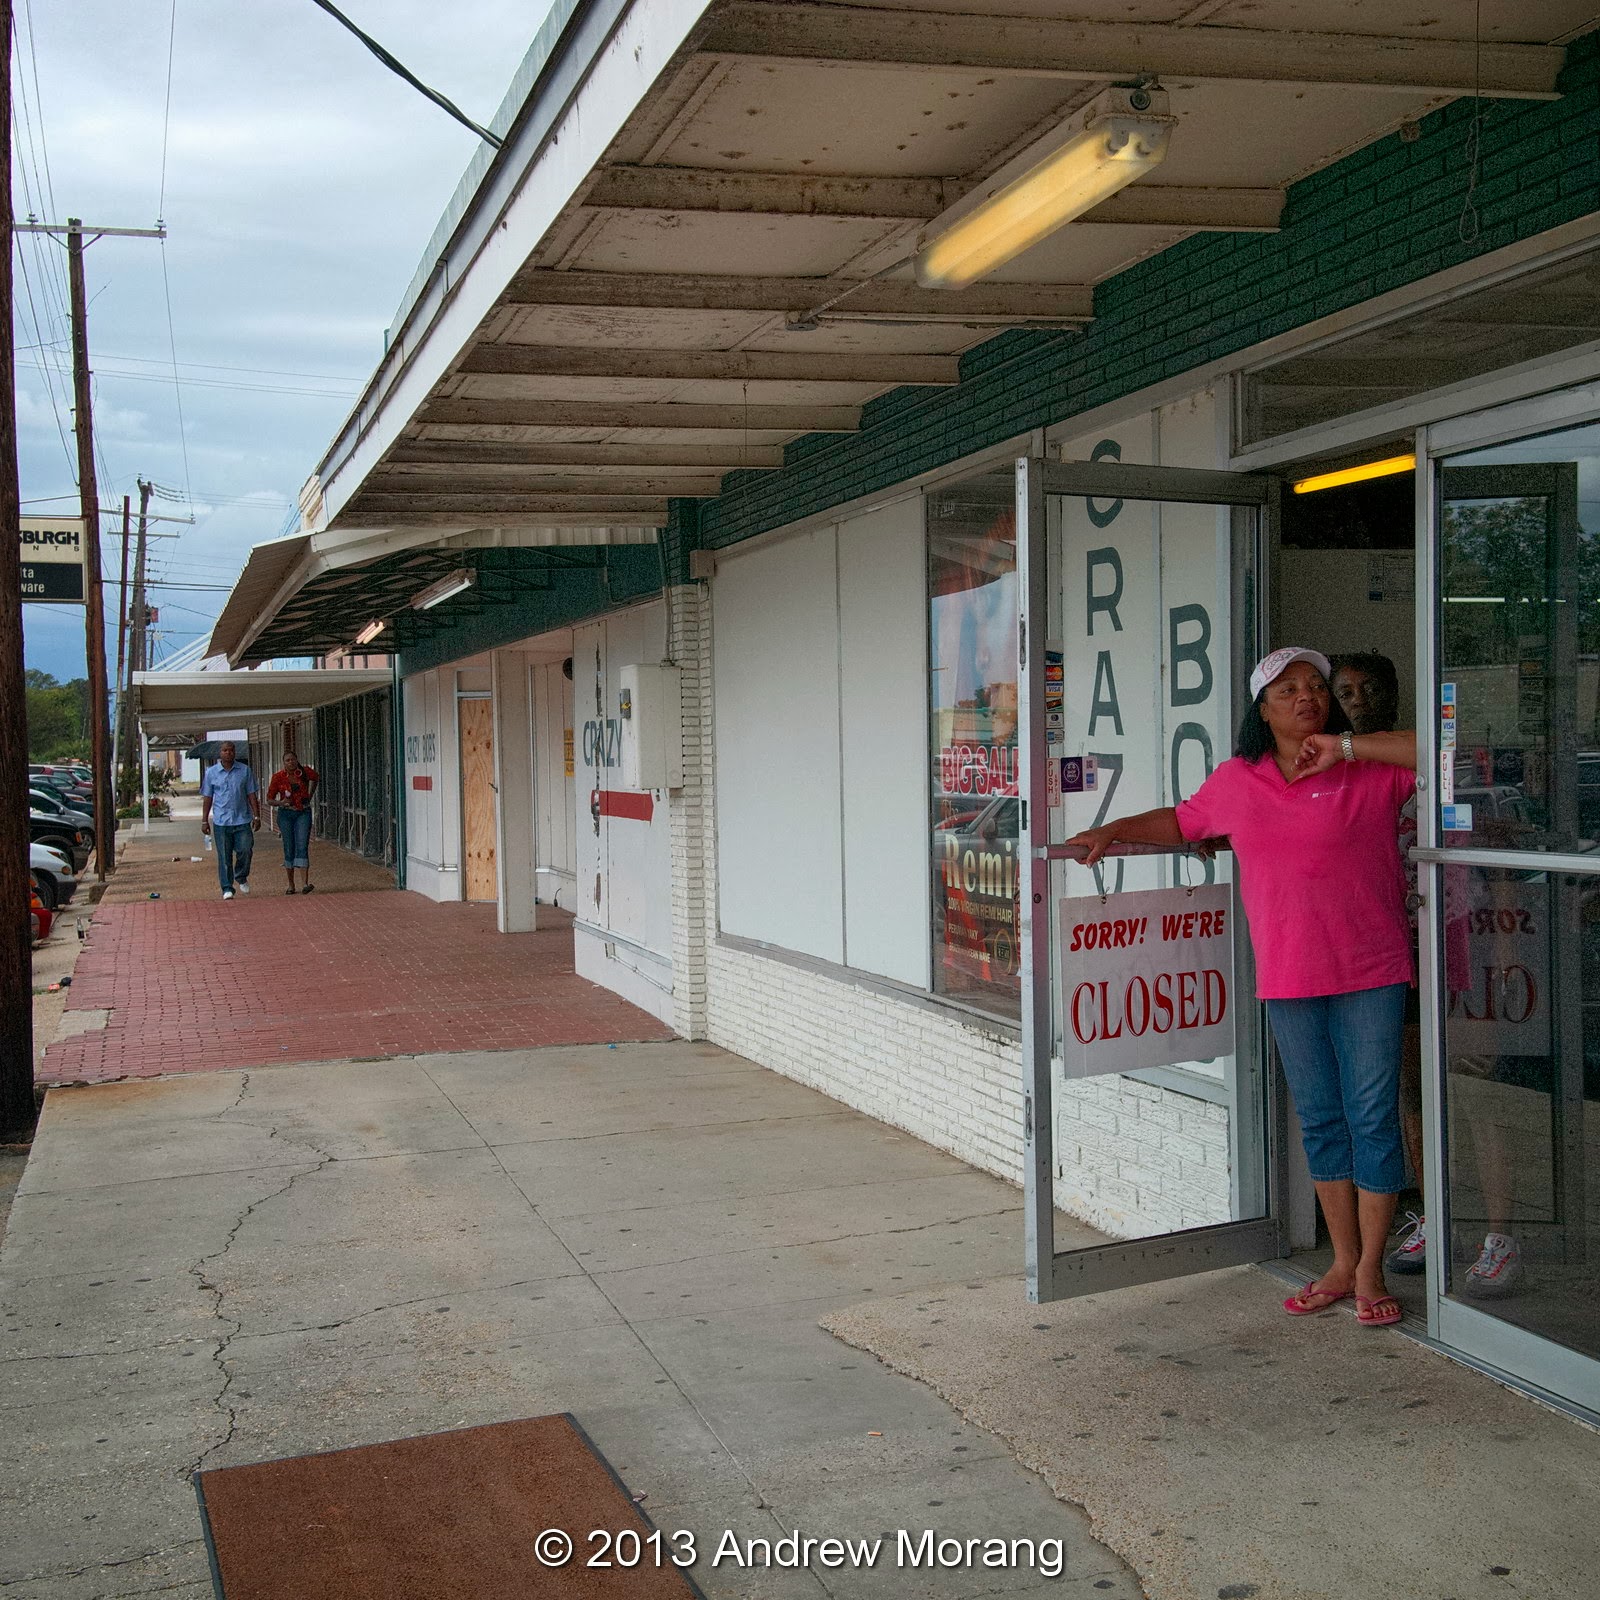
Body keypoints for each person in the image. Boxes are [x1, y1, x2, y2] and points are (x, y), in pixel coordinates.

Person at [1067, 647, 1417, 1329]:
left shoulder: (1369, 768)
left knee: (1372, 1116)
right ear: (1261, 708)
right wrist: (1114, 829)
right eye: (1287, 690)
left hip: (1372, 968)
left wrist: (1344, 746)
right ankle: (1342, 1262)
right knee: (1321, 1119)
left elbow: (1441, 748)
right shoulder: (1240, 779)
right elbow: (1184, 820)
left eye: (1316, 687)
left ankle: (1371, 1268)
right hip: (1289, 973)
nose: (1306, 697)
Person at [200, 742, 260, 901]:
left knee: (245, 849)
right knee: (224, 856)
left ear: (235, 752)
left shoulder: (245, 771)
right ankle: (227, 887)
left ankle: (241, 876)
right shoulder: (211, 773)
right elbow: (208, 797)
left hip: (242, 819)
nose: (228, 753)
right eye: (225, 750)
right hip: (221, 821)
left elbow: (252, 795)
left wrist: (257, 816)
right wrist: (204, 820)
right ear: (220, 753)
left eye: (231, 750)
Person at [266, 752, 320, 895]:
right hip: (286, 814)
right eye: (287, 760)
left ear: (297, 760)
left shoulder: (304, 772)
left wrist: (310, 794)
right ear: (283, 763)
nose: (290, 762)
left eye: (293, 760)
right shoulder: (278, 777)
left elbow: (316, 778)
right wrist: (281, 802)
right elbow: (269, 799)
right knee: (289, 846)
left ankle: (305, 883)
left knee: (302, 844)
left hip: (303, 812)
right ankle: (291, 885)